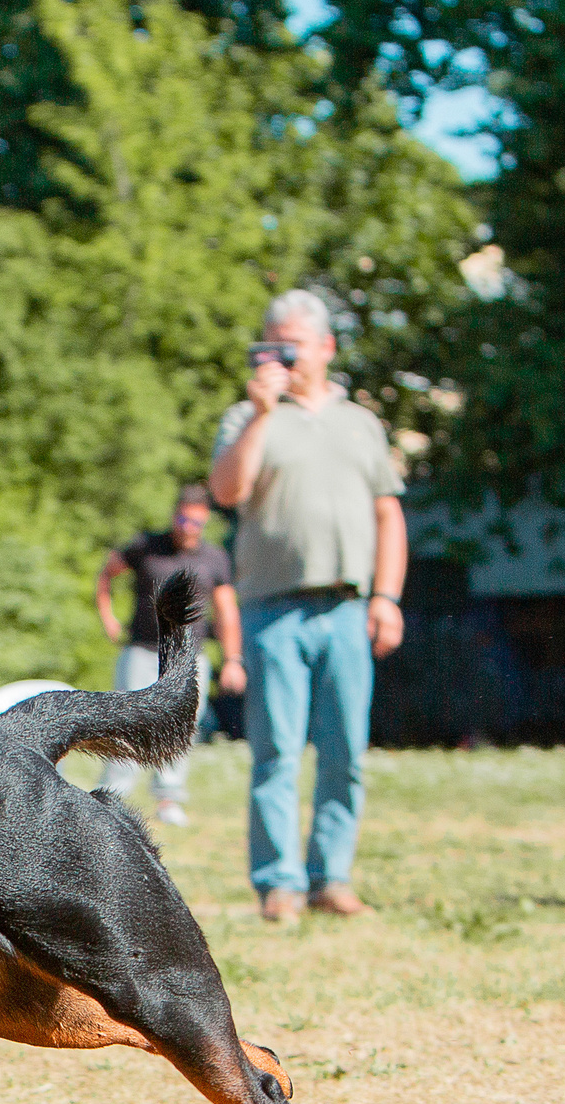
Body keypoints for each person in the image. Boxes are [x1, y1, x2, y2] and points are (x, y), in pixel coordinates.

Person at [208, 289, 407, 922]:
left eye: (293, 344)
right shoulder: (246, 418)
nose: (282, 356)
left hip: (348, 609)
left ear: (326, 347)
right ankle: (279, 884)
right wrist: (263, 414)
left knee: (346, 752)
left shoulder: (361, 423)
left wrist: (387, 597)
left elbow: (388, 513)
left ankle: (332, 878)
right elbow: (226, 490)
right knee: (276, 754)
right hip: (272, 611)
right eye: (272, 344)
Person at [94, 481, 244, 826]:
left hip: (188, 658)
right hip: (142, 650)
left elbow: (226, 611)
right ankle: (112, 797)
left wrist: (233, 660)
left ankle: (168, 798)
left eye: (196, 523)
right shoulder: (147, 547)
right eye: (183, 521)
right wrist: (108, 616)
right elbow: (106, 574)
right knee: (125, 722)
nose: (188, 529)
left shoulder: (214, 558)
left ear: (204, 522)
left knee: (181, 726)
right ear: (174, 516)